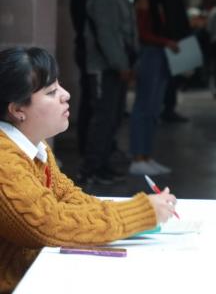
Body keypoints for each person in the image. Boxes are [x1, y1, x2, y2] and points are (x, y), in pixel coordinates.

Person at [0, 47, 177, 293]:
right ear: (18, 109)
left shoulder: (34, 147)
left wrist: (142, 209)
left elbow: (72, 200)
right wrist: (140, 213)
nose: (66, 95)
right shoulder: (3, 161)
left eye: (59, 86)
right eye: (51, 92)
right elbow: (48, 224)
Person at [78, 0, 137, 185]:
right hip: (105, 67)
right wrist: (120, 64)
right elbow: (107, 33)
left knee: (112, 118)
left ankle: (102, 164)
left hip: (117, 66)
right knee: (102, 119)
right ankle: (90, 168)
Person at [129, 0, 178, 176]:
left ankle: (146, 155)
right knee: (144, 107)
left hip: (159, 54)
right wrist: (166, 42)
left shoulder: (159, 2)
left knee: (153, 108)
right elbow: (144, 33)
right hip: (150, 54)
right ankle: (138, 156)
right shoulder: (144, 1)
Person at [69, 0, 103, 155]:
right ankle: (87, 148)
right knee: (90, 102)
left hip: (86, 49)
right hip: (88, 51)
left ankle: (88, 147)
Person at [161, 0, 191, 123]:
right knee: (172, 76)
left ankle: (168, 107)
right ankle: (167, 108)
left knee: (175, 75)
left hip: (175, 38)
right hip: (173, 39)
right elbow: (175, 16)